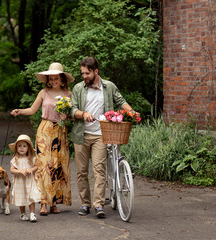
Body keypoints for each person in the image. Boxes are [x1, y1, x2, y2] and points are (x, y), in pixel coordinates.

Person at [70, 56, 138, 218]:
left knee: (99, 170)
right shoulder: (78, 88)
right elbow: (72, 110)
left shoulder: (109, 87)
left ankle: (98, 204)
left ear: (96, 71)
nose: (84, 76)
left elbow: (121, 101)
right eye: (82, 73)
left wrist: (132, 112)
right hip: (81, 135)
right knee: (81, 172)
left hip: (101, 134)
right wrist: (83, 114)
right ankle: (85, 204)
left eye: (87, 73)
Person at [11, 63, 73, 216]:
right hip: (45, 131)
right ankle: (43, 202)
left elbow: (72, 115)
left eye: (56, 78)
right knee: (44, 166)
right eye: (51, 78)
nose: (53, 81)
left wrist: (67, 117)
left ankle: (54, 203)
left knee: (58, 166)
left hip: (60, 132)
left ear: (62, 78)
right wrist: (20, 111)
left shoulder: (68, 93)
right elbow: (32, 110)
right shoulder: (43, 92)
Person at [9, 134, 41, 222]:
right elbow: (12, 170)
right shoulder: (15, 159)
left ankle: (32, 213)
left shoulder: (31, 158)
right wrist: (20, 171)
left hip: (30, 181)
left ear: (28, 148)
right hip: (20, 182)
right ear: (16, 148)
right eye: (19, 146)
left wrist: (31, 169)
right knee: (21, 197)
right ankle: (22, 213)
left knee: (31, 196)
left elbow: (36, 166)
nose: (21, 148)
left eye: (24, 146)